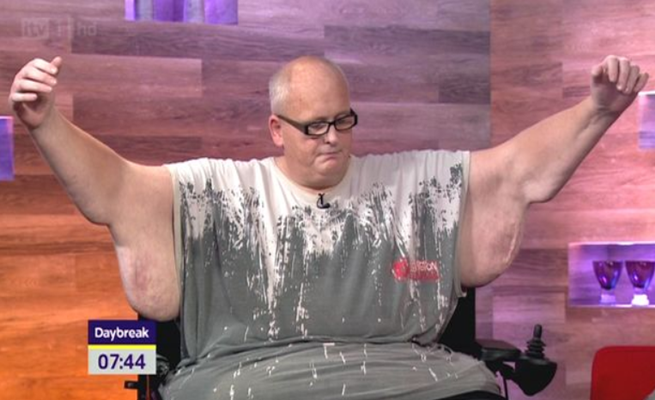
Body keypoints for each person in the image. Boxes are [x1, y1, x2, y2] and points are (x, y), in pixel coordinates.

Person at [8, 55, 649, 400]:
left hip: (417, 380)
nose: (333, 139)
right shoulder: (217, 190)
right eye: (313, 126)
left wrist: (598, 110)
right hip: (247, 383)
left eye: (343, 121)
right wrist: (47, 124)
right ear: (276, 129)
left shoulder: (413, 183)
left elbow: (520, 169)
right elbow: (114, 187)